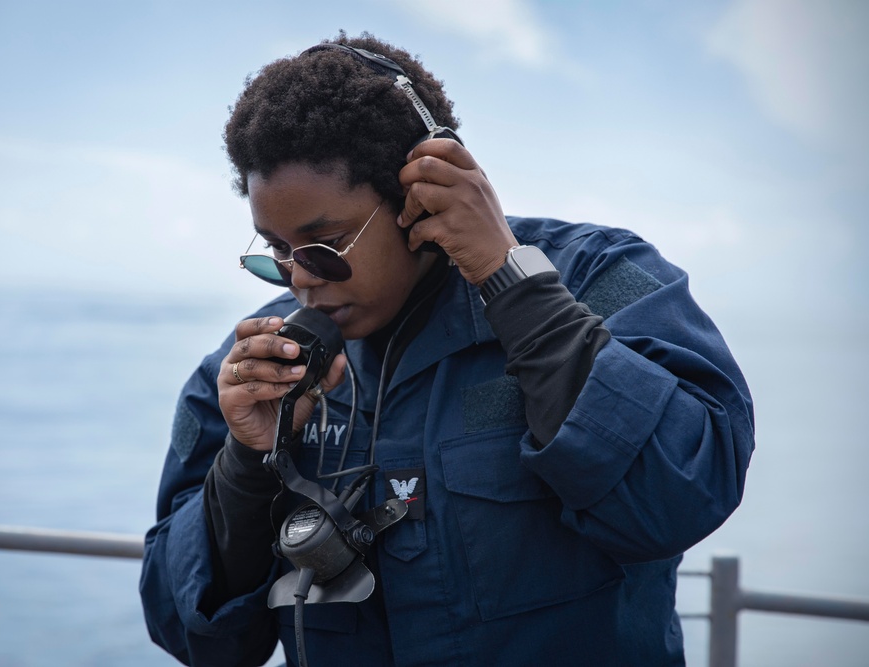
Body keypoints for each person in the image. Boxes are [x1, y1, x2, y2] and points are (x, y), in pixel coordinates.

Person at [139, 32, 755, 667]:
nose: (300, 278)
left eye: (323, 248)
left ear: (416, 195)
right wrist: (247, 464)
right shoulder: (255, 369)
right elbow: (188, 631)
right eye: (276, 252)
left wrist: (514, 287)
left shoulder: (601, 279)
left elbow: (681, 497)